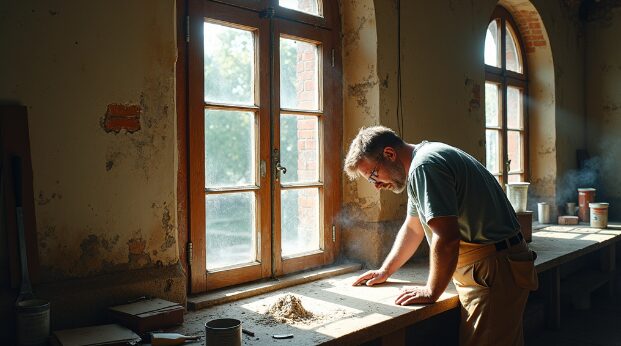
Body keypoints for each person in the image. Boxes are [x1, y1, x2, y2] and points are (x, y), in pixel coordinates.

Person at [344, 126, 538, 346]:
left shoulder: (424, 167)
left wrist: (431, 291)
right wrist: (385, 270)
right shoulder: (425, 158)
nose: (377, 185)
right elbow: (414, 227)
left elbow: (446, 237)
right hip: (495, 266)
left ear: (389, 154)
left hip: (492, 270)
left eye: (373, 174)